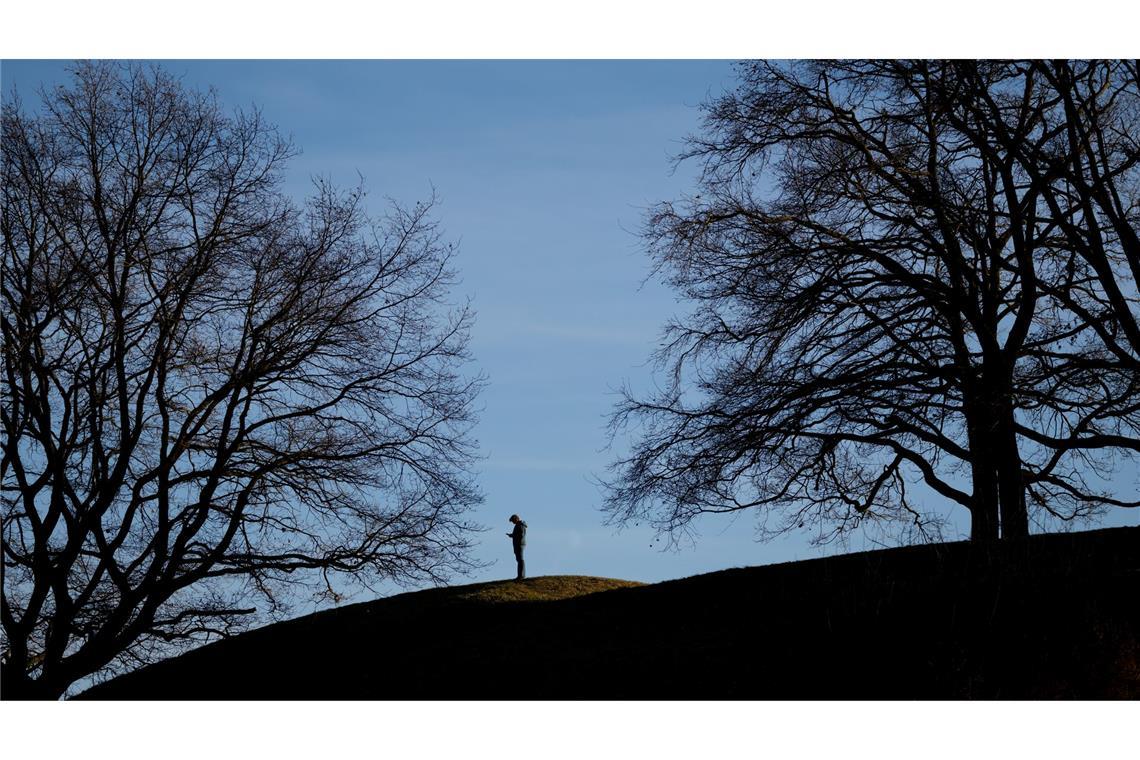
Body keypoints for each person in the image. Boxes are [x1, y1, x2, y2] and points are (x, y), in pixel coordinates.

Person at [507, 514, 527, 581]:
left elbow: (521, 535)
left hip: (520, 544)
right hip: (518, 544)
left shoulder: (520, 525)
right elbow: (518, 534)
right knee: (519, 559)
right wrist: (512, 535)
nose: (513, 522)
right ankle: (520, 575)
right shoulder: (518, 525)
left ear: (516, 519)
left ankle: (521, 576)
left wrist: (513, 536)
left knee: (520, 559)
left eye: (513, 521)